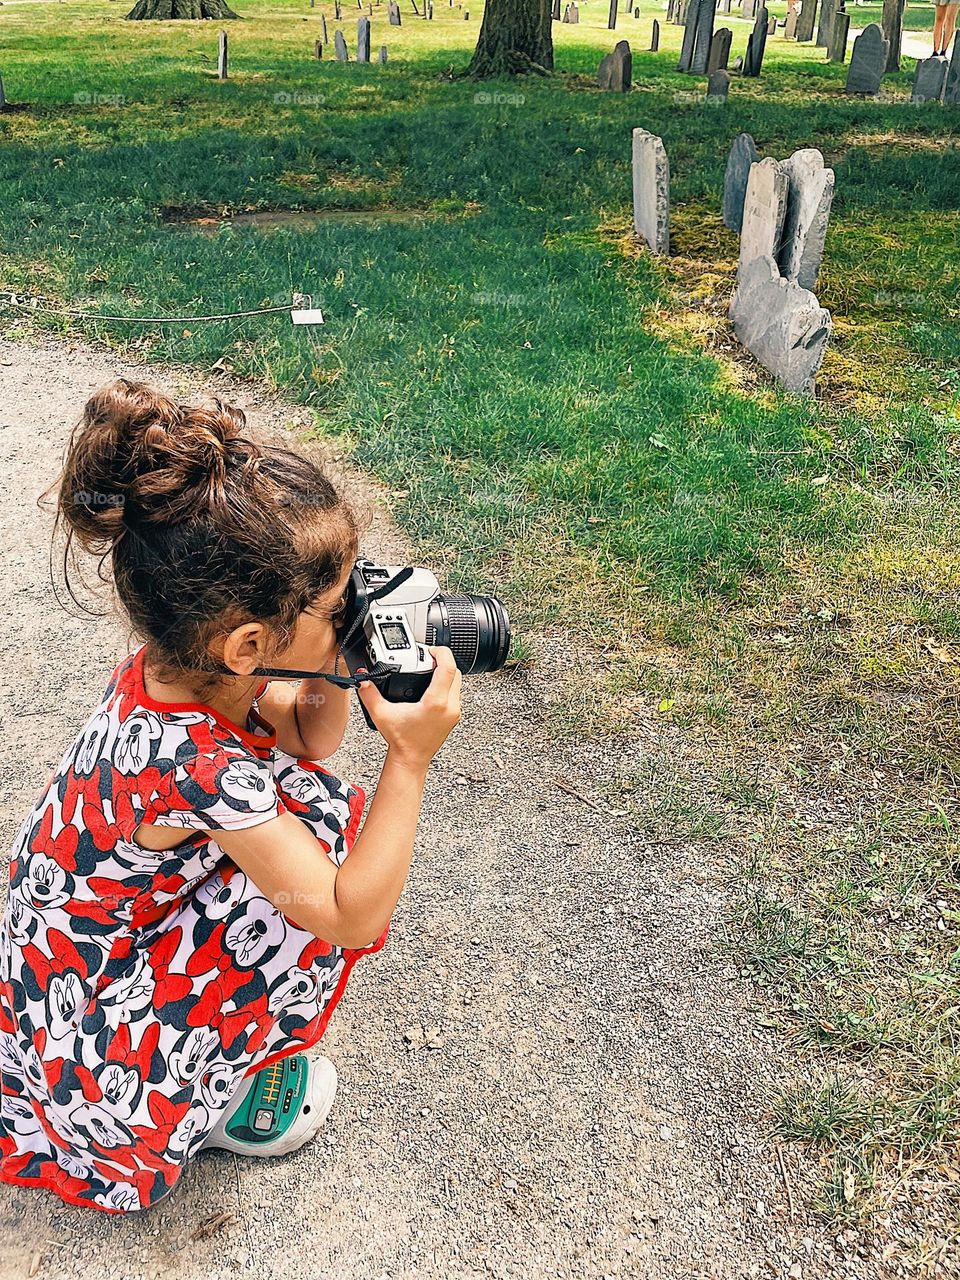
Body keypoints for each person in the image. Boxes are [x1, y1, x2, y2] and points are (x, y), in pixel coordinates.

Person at [0, 379, 461, 1213]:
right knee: (308, 894)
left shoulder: (182, 672)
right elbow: (350, 913)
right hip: (95, 1036)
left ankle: (189, 1059)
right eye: (337, 605)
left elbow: (307, 739)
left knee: (314, 806)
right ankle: (195, 1102)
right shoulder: (193, 762)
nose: (356, 611)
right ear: (250, 643)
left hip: (71, 956)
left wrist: (334, 655)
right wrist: (409, 759)